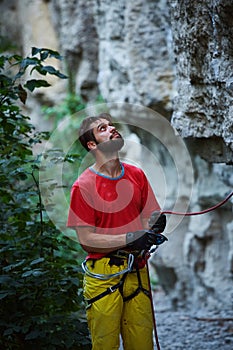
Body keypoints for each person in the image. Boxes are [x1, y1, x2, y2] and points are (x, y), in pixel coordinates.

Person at [67, 112, 167, 350]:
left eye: (111, 125)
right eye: (103, 129)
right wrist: (132, 238)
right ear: (92, 145)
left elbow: (149, 217)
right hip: (103, 274)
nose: (112, 129)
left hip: (137, 271)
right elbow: (87, 240)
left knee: (142, 344)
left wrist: (153, 227)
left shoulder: (136, 175)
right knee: (105, 345)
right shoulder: (83, 186)